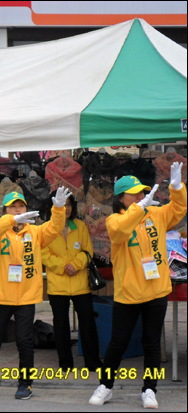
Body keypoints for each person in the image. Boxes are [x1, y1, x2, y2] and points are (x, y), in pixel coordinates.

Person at [89, 163, 186, 409]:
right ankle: (106, 386)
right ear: (121, 197)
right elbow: (120, 232)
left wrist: (176, 188)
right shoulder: (114, 220)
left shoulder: (155, 214)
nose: (142, 196)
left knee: (151, 343)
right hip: (129, 294)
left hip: (156, 291)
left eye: (143, 192)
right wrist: (140, 209)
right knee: (118, 343)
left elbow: (178, 209)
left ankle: (150, 390)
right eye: (135, 193)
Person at [0, 187, 70, 400]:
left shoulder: (35, 232)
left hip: (26, 296)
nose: (18, 209)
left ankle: (26, 384)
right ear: (5, 211)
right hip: (1, 296)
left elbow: (54, 228)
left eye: (21, 206)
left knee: (24, 341)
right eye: (13, 207)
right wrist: (12, 220)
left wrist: (59, 208)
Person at [42, 193, 102, 372]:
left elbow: (87, 251)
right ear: (53, 207)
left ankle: (93, 362)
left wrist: (75, 265)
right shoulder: (46, 229)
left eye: (69, 204)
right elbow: (43, 254)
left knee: (88, 324)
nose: (66, 208)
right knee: (61, 326)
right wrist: (63, 267)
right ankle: (65, 364)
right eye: (62, 204)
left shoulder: (80, 226)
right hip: (57, 285)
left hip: (80, 283)